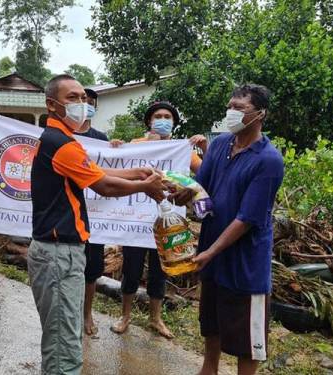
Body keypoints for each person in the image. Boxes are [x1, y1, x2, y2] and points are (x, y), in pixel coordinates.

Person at [29, 74, 168, 375]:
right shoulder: (61, 143)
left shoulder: (61, 140)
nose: (81, 104)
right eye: (72, 98)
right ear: (52, 105)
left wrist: (136, 171)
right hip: (58, 255)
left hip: (58, 253)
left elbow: (93, 170)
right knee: (64, 345)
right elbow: (104, 186)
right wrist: (145, 187)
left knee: (60, 337)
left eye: (83, 97)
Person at [170, 84, 283, 375]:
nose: (231, 112)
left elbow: (247, 219)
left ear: (260, 114)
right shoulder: (221, 143)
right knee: (212, 326)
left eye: (240, 108)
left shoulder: (269, 160)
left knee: (248, 343)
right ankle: (208, 370)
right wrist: (180, 193)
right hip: (212, 253)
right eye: (230, 106)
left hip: (246, 265)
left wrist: (210, 251)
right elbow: (201, 187)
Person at [110, 101, 207, 338]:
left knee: (160, 269)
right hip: (136, 220)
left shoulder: (184, 149)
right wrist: (115, 147)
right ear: (149, 122)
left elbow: (205, 173)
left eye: (167, 117)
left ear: (173, 123)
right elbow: (114, 164)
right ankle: (125, 316)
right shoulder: (135, 145)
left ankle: (156, 319)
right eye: (158, 116)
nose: (163, 119)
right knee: (131, 270)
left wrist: (205, 146)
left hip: (167, 221)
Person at [73, 88, 109, 336]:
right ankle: (69, 315)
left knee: (91, 271)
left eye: (90, 101)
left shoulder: (101, 138)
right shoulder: (61, 136)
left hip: (95, 217)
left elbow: (109, 171)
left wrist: (116, 148)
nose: (85, 104)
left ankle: (87, 314)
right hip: (67, 216)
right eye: (80, 100)